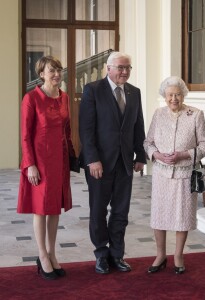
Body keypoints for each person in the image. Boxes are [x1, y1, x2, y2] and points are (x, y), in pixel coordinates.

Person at [79, 51, 146, 274]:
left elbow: (138, 125)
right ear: (108, 68)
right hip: (100, 164)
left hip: (125, 162)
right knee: (98, 211)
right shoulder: (93, 90)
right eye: (120, 67)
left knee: (120, 212)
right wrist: (92, 160)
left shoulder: (134, 92)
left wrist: (140, 156)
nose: (124, 72)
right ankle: (101, 254)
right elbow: (86, 130)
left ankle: (117, 255)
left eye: (128, 68)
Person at [144, 76, 205, 274]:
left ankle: (179, 255)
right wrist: (155, 154)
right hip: (161, 175)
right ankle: (160, 255)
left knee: (182, 215)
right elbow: (148, 142)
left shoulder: (195, 114)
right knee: (159, 215)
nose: (174, 98)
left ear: (183, 95)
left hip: (185, 174)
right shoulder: (158, 114)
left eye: (177, 94)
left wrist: (185, 155)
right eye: (170, 95)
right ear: (164, 97)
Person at [17, 56, 76, 280]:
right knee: (41, 209)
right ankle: (42, 255)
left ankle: (52, 253)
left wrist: (71, 156)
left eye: (59, 70)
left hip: (59, 161)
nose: (57, 75)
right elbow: (24, 136)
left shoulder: (64, 98)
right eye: (52, 71)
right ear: (41, 74)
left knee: (54, 209)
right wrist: (29, 164)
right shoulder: (31, 98)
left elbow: (67, 130)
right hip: (39, 163)